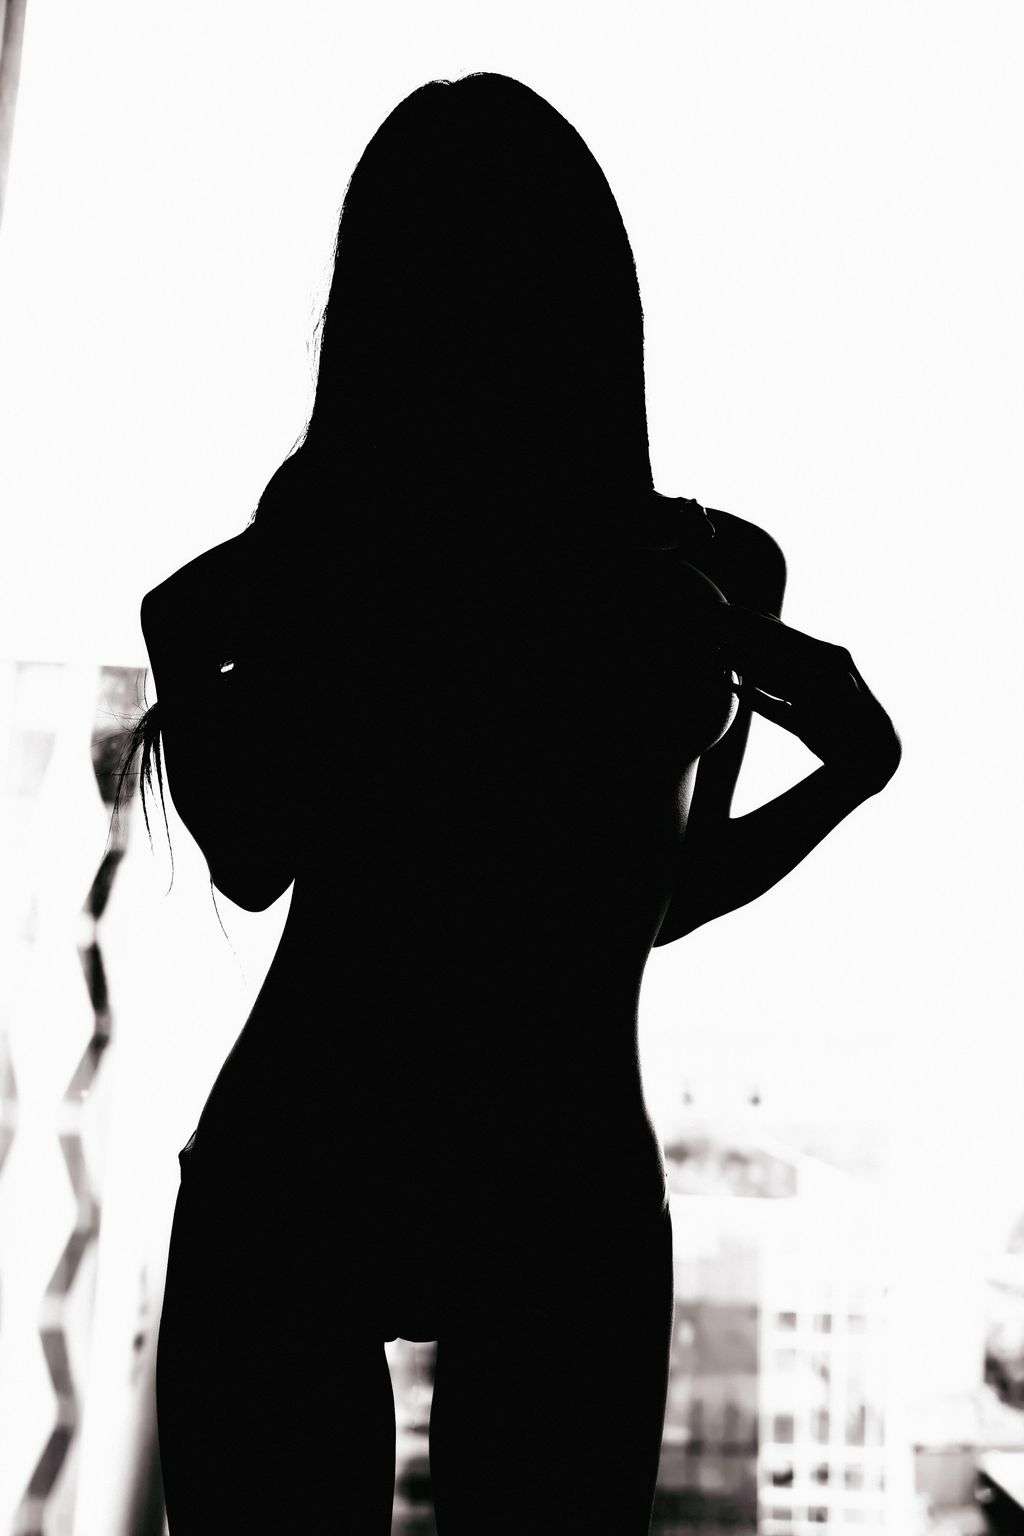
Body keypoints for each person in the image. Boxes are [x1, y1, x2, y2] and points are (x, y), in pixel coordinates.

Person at [123, 72, 901, 1536]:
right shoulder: (703, 577)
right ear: (601, 298)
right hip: (557, 1170)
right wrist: (850, 781)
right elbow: (655, 900)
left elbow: (250, 857)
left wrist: (186, 640)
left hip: (306, 1151)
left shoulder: (335, 535)